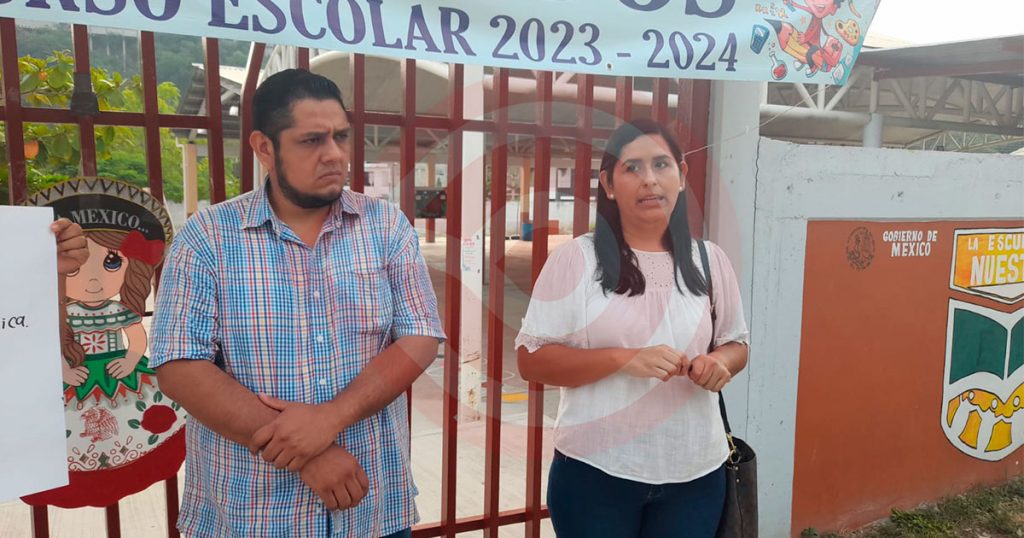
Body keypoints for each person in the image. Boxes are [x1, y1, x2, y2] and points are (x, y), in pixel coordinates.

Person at [150, 69, 445, 537]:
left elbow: (420, 335)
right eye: (311, 140)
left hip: (371, 507)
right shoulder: (208, 238)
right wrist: (310, 453)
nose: (335, 154)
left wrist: (330, 418)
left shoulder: (385, 226)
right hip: (252, 512)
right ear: (264, 148)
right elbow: (180, 366)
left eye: (341, 137)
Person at [515, 119, 750, 537]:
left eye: (661, 164)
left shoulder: (710, 261)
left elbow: (736, 343)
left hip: (696, 473)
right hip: (596, 473)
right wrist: (624, 359)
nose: (649, 180)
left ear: (682, 175)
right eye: (632, 168)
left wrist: (719, 363)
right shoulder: (576, 260)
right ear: (608, 184)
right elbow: (531, 361)